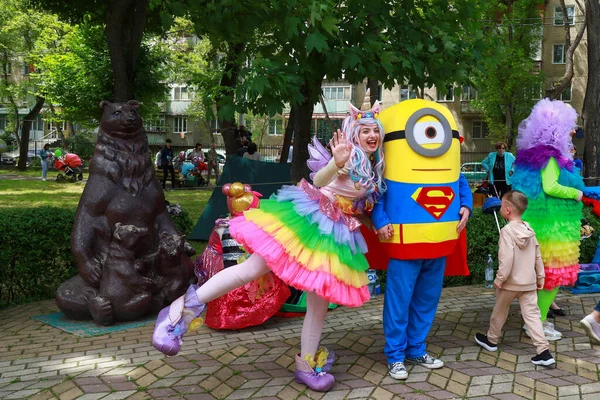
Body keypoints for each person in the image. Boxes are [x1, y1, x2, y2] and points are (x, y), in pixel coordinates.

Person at [153, 101, 386, 392]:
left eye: (375, 130)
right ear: (354, 133)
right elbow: (318, 179)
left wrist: (373, 222)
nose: (371, 135)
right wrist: (335, 163)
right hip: (309, 220)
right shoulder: (348, 155)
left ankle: (307, 365)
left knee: (319, 302)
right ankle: (178, 314)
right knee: (252, 268)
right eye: (365, 130)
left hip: (337, 233)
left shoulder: (373, 168)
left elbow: (353, 204)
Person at [371, 99, 472, 380]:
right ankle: (395, 355)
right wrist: (380, 220)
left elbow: (459, 181)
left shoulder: (449, 165)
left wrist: (466, 205)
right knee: (399, 300)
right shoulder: (390, 166)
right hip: (404, 242)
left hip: (440, 239)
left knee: (427, 299)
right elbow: (378, 190)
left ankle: (415, 348)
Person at [512, 99, 584, 340]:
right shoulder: (550, 157)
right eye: (568, 128)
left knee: (543, 276)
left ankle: (534, 321)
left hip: (544, 223)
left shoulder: (535, 157)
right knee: (552, 277)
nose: (572, 132)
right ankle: (537, 324)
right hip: (553, 227)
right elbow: (551, 186)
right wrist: (575, 192)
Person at [474, 190, 555, 367]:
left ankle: (491, 340)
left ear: (508, 209)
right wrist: (540, 276)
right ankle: (544, 351)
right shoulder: (529, 229)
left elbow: (506, 259)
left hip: (510, 283)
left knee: (500, 311)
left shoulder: (506, 231)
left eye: (502, 205)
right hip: (529, 282)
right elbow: (537, 256)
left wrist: (499, 278)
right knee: (533, 316)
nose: (501, 208)